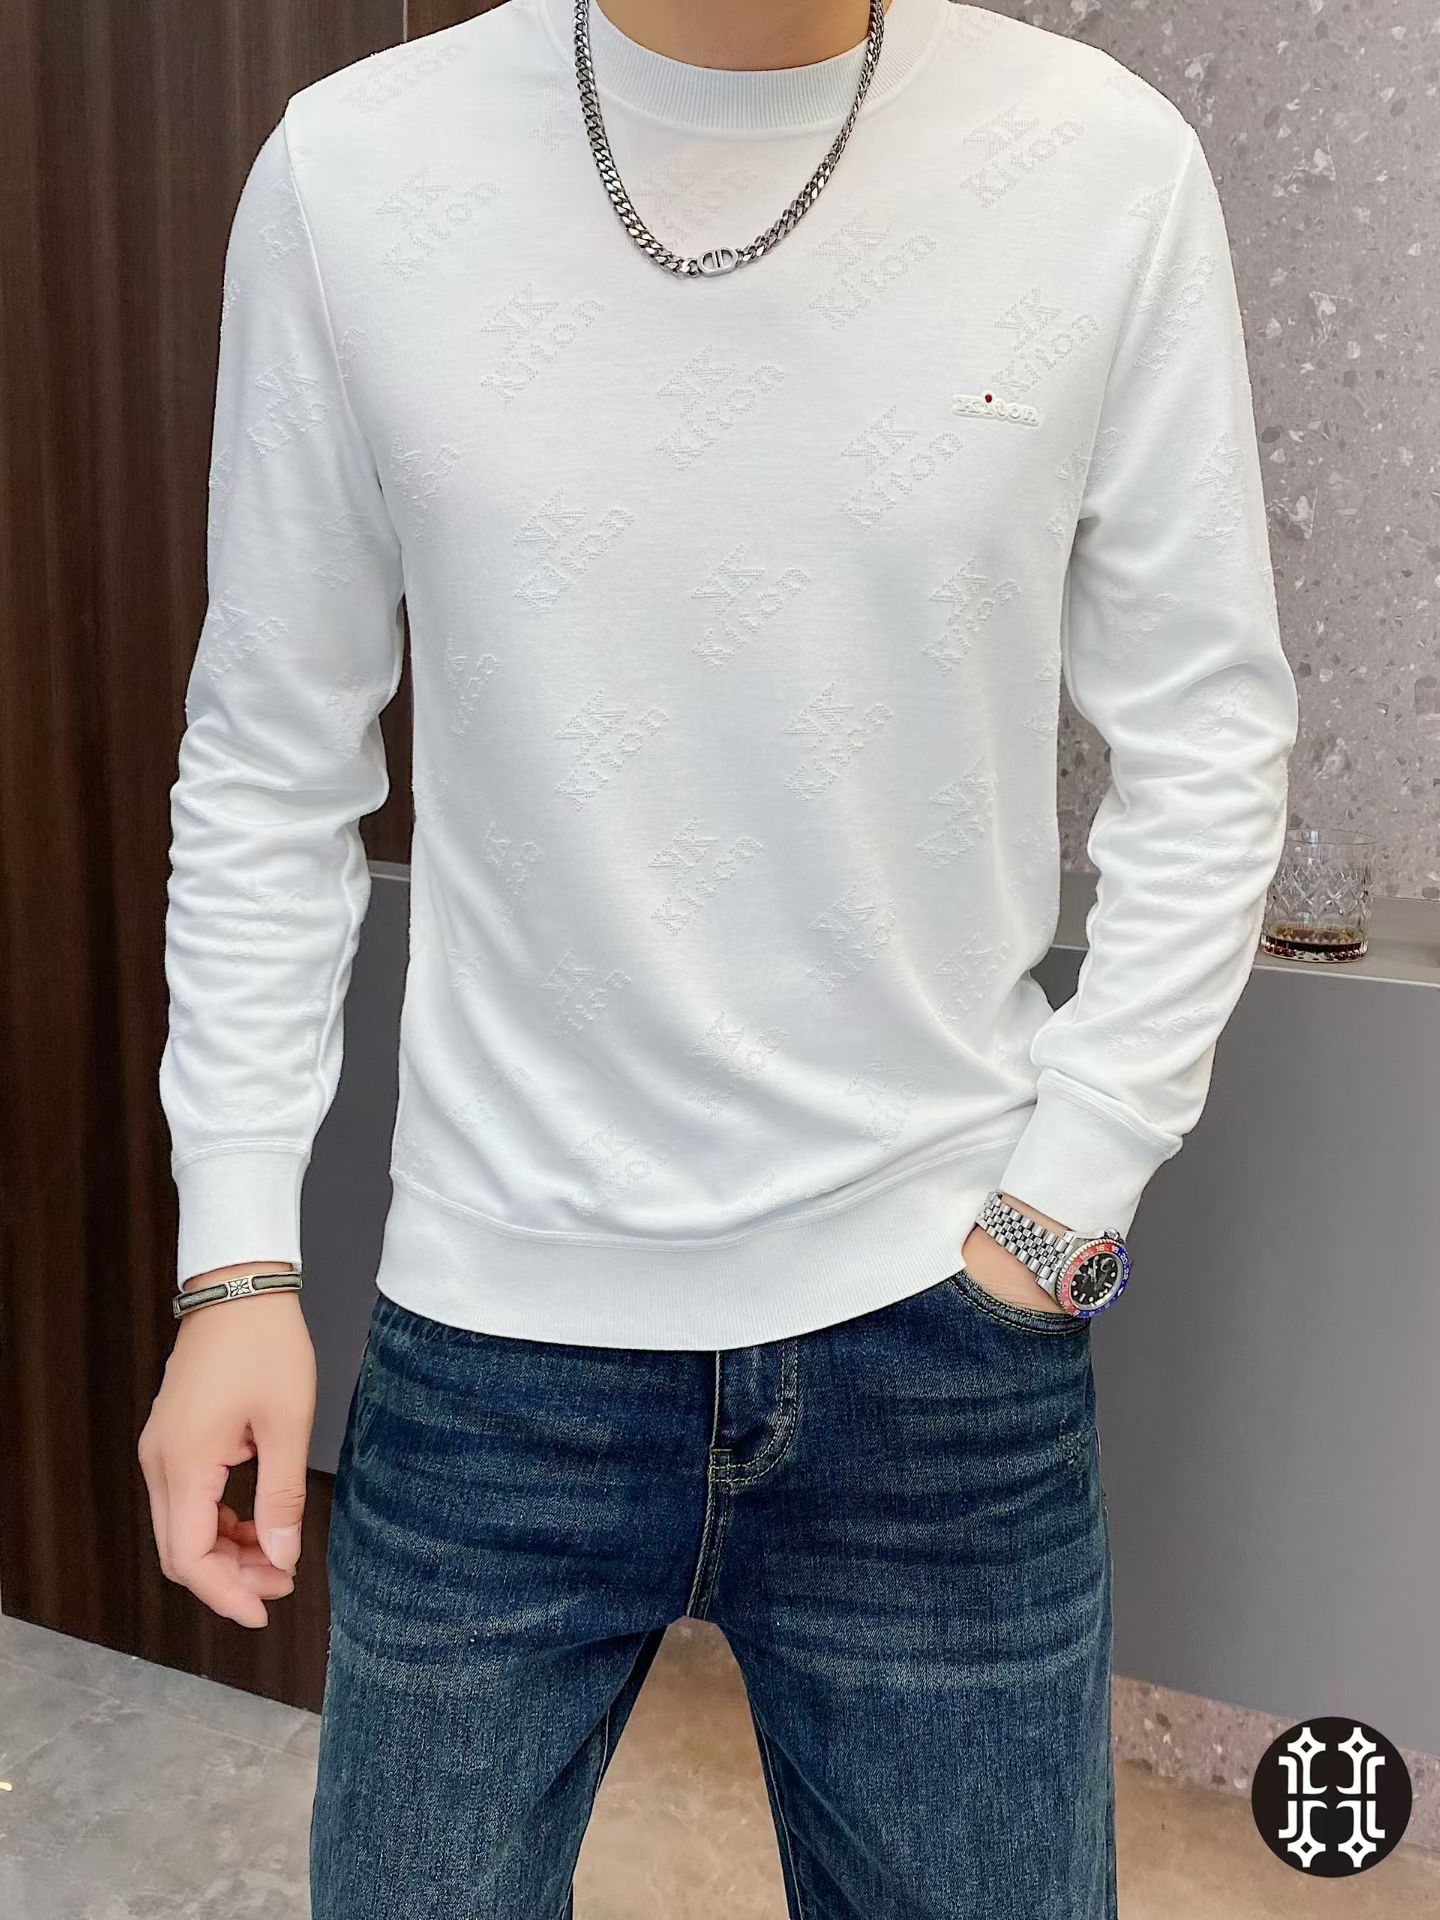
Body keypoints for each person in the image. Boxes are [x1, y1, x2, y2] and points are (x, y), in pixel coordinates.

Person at [138, 0, 1299, 1913]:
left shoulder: (1100, 165)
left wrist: (1067, 1197)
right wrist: (236, 1255)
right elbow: (270, 755)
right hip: (493, 1336)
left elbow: (1211, 731)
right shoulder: (355, 176)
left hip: (942, 1341)